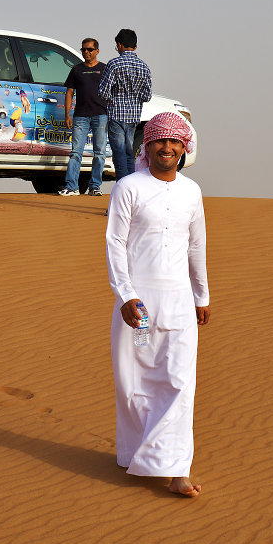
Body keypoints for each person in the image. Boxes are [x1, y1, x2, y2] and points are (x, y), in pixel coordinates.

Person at [105, 111, 208, 498]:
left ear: (185, 148)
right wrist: (125, 295)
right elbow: (115, 242)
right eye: (160, 140)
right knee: (134, 382)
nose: (168, 147)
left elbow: (196, 246)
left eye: (175, 141)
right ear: (147, 146)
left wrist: (202, 295)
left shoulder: (192, 191)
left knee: (180, 382)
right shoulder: (128, 187)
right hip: (140, 305)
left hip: (180, 301)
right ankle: (135, 454)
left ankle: (176, 468)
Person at [98, 28, 152, 181]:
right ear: (135, 46)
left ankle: (123, 187)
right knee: (129, 153)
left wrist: (116, 95)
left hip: (116, 115)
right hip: (134, 116)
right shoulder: (144, 67)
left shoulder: (114, 64)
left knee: (119, 154)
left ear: (119, 45)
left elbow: (103, 92)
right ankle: (131, 185)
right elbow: (147, 96)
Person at [57, 38, 108, 197]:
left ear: (97, 51)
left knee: (99, 153)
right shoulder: (76, 70)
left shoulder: (105, 69)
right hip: (80, 116)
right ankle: (72, 186)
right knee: (75, 152)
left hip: (101, 115)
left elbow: (112, 92)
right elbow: (69, 92)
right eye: (83, 50)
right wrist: (67, 114)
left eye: (90, 49)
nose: (86, 52)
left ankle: (95, 186)